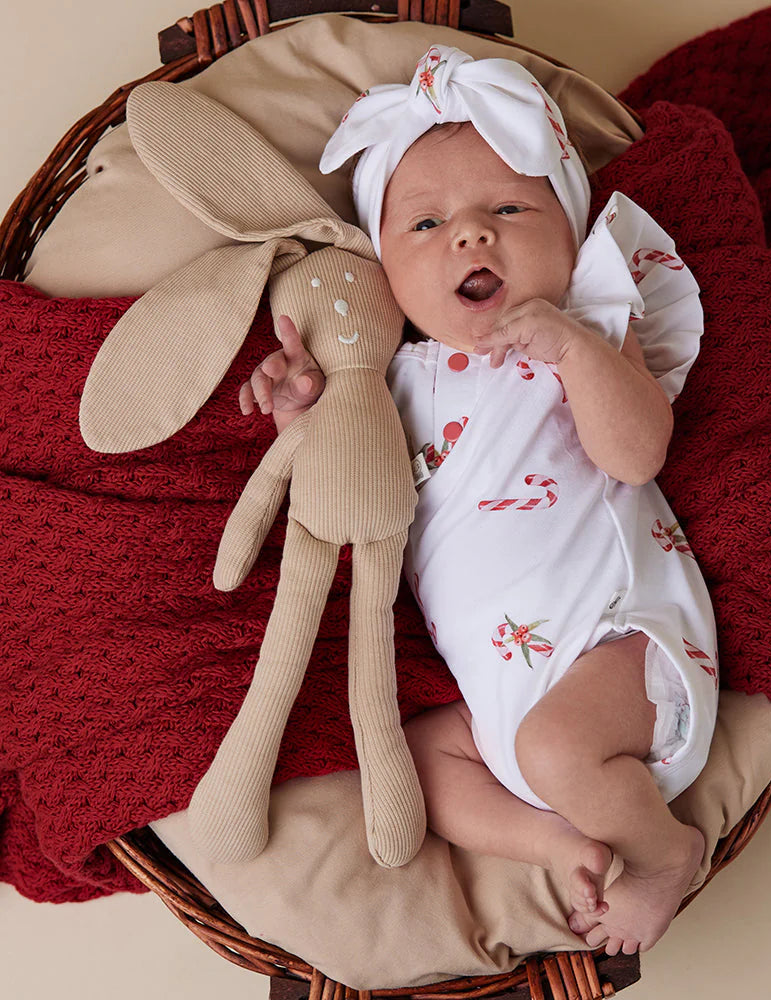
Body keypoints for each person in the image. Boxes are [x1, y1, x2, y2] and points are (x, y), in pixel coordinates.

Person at [242, 46, 718, 957]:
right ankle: (564, 841)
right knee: (418, 757)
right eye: (424, 225)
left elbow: (636, 452)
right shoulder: (386, 383)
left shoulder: (585, 336)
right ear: (383, 270)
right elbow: (340, 500)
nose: (470, 235)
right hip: (498, 698)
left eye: (509, 209)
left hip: (617, 646)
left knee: (553, 750)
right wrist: (302, 415)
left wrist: (576, 352)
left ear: (571, 240)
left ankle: (662, 851)